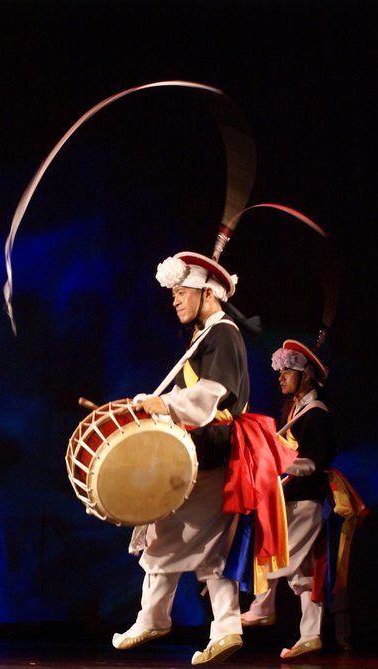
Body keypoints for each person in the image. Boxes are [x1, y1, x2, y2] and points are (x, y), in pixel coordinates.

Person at [113, 251, 251, 665]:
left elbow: (215, 392)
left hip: (213, 450)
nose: (174, 299)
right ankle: (220, 627)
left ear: (207, 293)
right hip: (205, 452)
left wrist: (165, 405)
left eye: (180, 291)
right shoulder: (206, 334)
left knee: (171, 530)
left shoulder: (223, 332)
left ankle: (159, 618)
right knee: (199, 544)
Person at [241, 340, 335, 659]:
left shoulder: (316, 413)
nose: (280, 377)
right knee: (302, 572)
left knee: (275, 556)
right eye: (279, 371)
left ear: (305, 375)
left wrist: (274, 460)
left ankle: (263, 607)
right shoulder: (296, 411)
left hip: (307, 501)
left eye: (287, 371)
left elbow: (311, 463)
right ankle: (310, 634)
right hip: (293, 499)